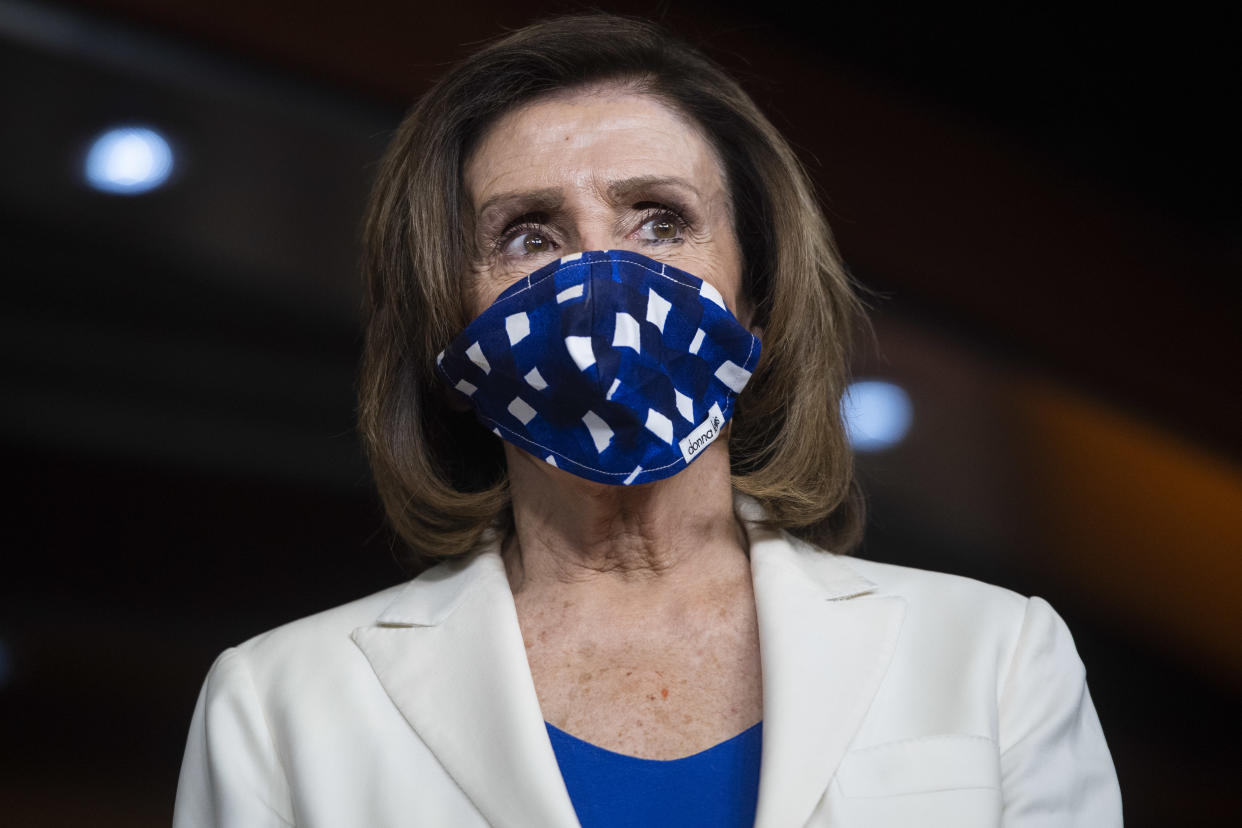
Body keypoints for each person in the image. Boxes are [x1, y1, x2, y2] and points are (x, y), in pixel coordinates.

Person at [172, 13, 1122, 828]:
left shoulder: (994, 656)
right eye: (529, 234)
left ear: (758, 296)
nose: (602, 282)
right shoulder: (279, 705)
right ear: (448, 325)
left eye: (660, 220)